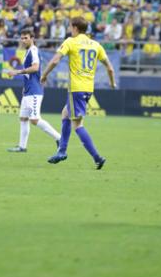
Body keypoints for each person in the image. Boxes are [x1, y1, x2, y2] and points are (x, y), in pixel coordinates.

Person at [41, 17, 116, 169]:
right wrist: (112, 83)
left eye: (70, 27)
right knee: (65, 114)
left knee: (78, 124)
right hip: (88, 88)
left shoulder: (71, 41)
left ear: (75, 28)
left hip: (76, 88)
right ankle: (61, 151)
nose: (70, 29)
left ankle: (97, 157)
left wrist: (44, 75)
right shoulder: (96, 45)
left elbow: (55, 60)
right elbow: (110, 68)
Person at [6, 29, 61, 152]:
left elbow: (35, 68)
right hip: (28, 91)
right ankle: (22, 146)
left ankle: (59, 138)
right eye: (22, 38)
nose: (23, 40)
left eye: (26, 38)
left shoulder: (34, 51)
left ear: (32, 38)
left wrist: (17, 72)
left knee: (35, 120)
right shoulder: (28, 52)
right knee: (23, 118)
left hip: (34, 91)